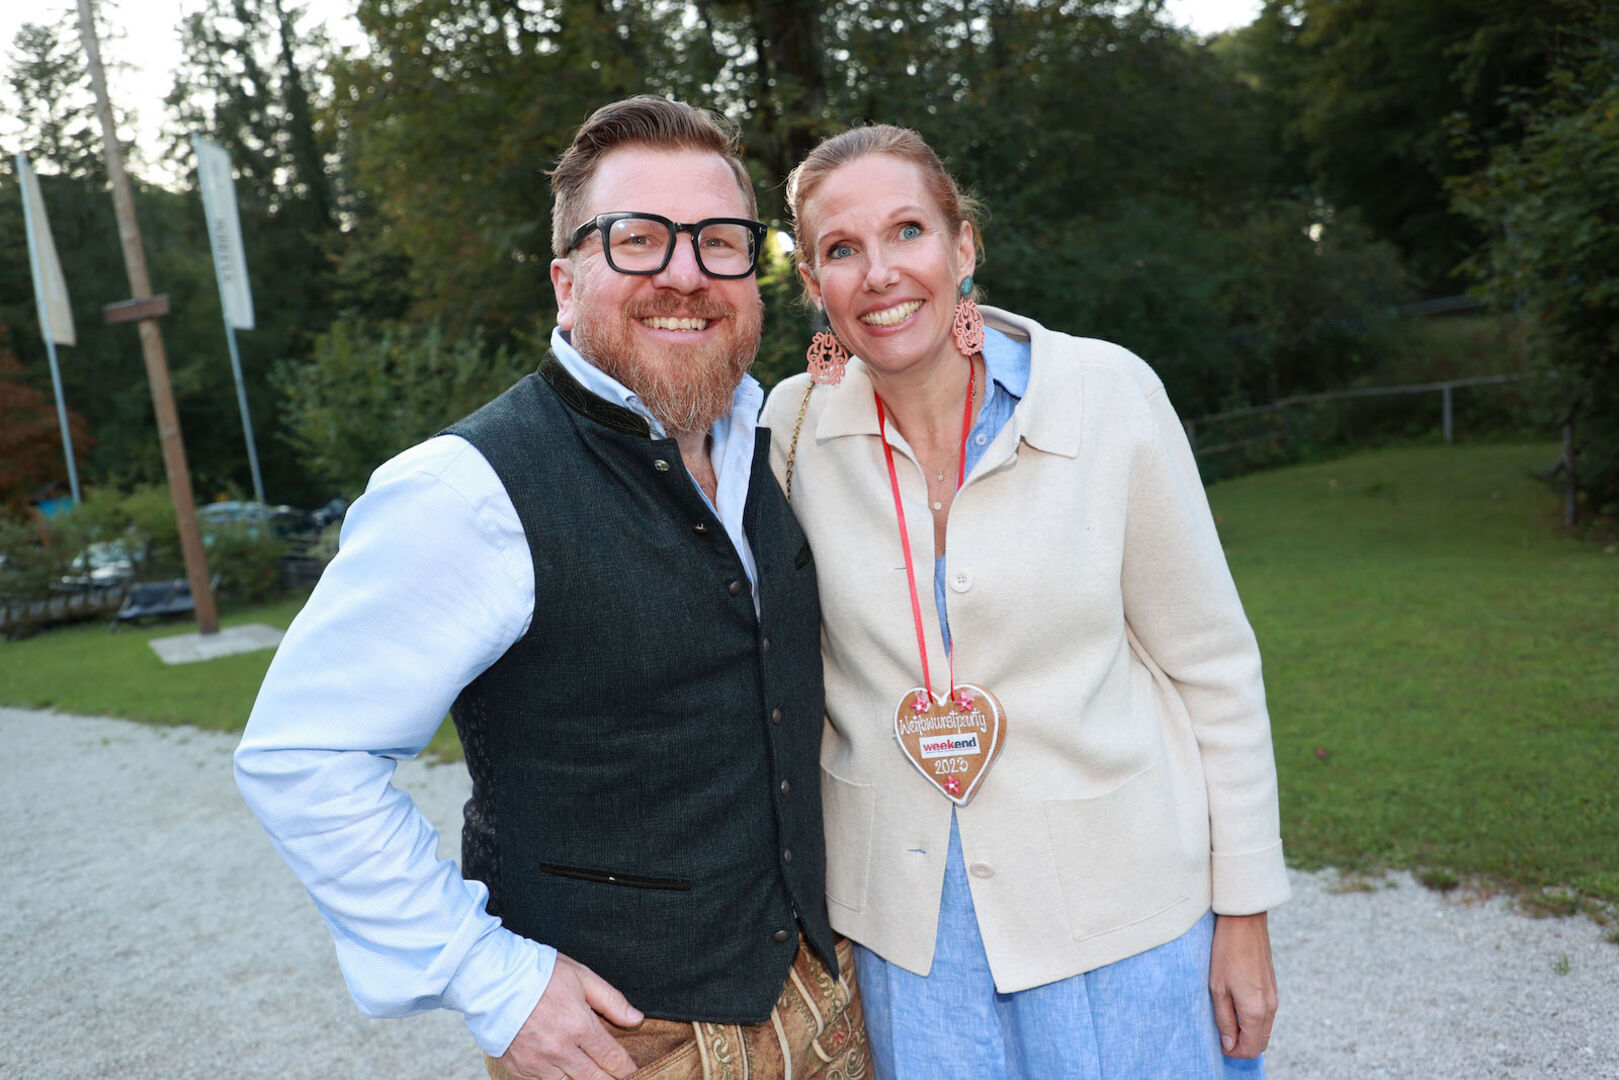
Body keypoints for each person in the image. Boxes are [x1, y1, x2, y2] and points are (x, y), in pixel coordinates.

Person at [236, 96, 868, 1080]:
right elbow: (302, 757)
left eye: (719, 242)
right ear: (565, 283)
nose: (685, 273)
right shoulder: (465, 489)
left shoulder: (772, 443)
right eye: (638, 238)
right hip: (627, 1048)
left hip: (827, 1007)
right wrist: (489, 979)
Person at [760, 124, 1290, 1079]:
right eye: (840, 249)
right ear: (813, 285)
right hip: (913, 955)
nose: (879, 273)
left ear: (962, 246)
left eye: (908, 231)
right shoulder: (789, 428)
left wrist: (1243, 912)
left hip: (1128, 928)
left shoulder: (1106, 393)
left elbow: (1212, 666)